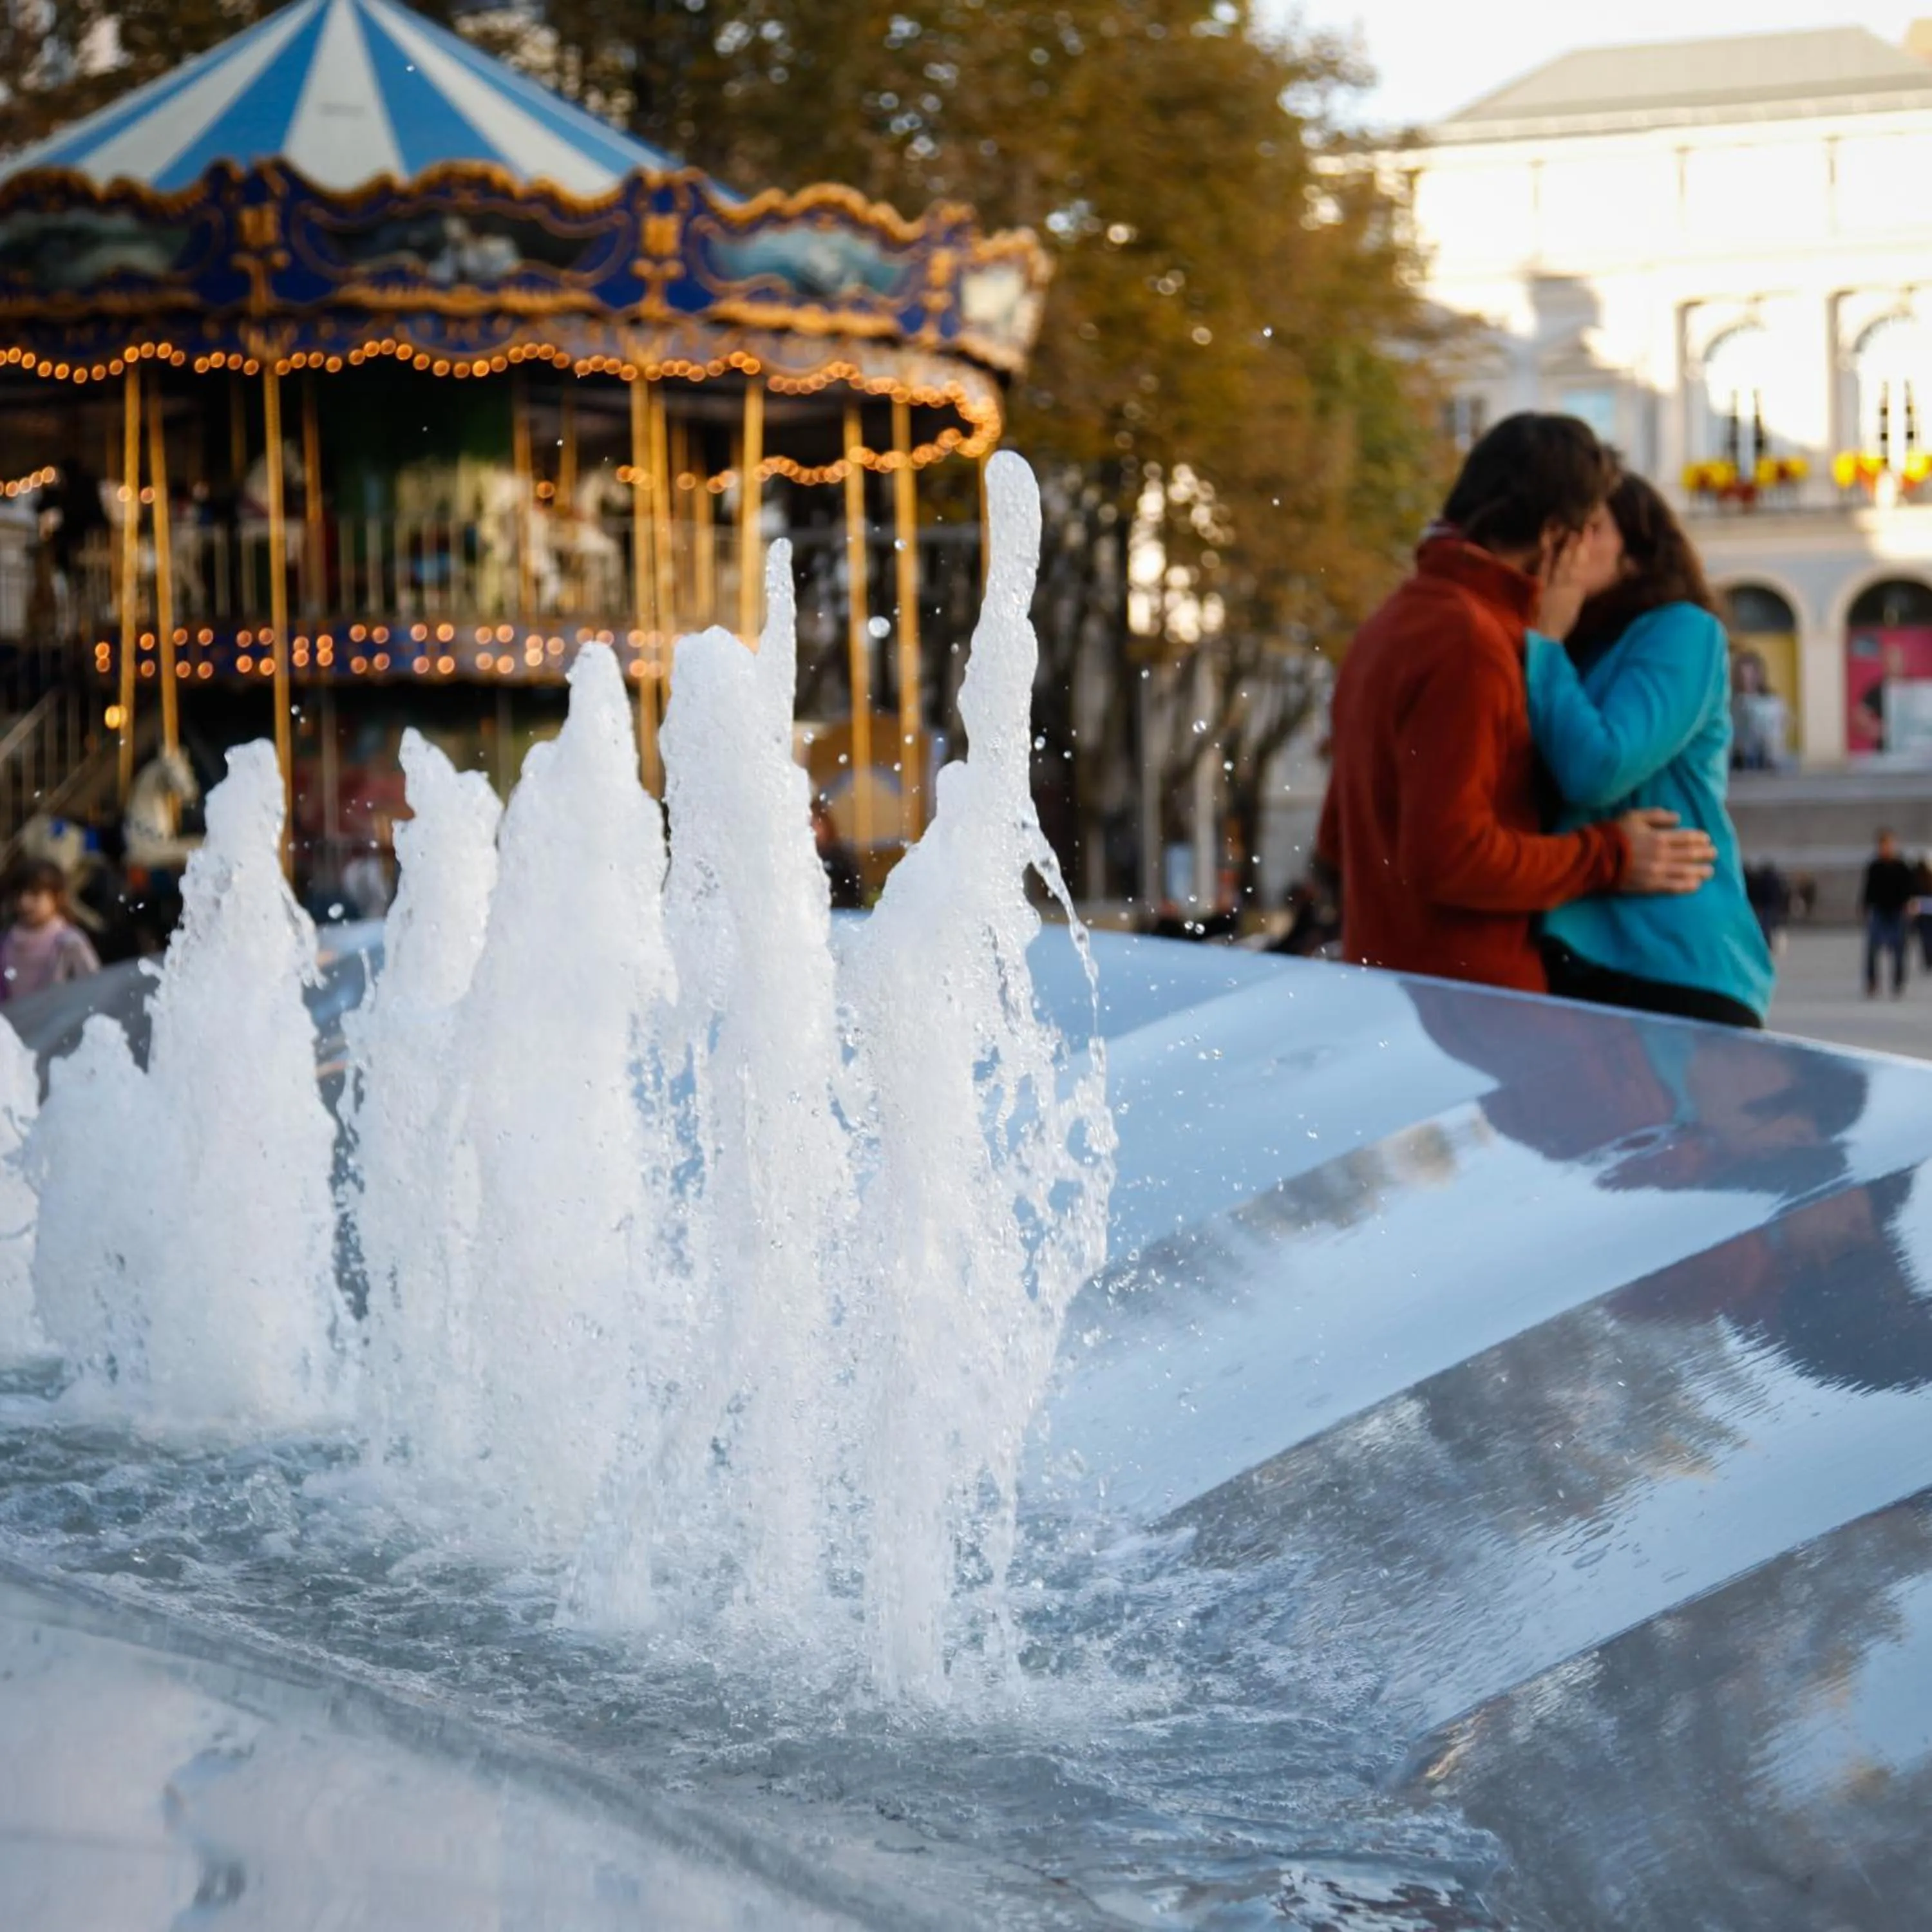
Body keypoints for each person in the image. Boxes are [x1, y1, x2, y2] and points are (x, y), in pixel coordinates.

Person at [1314, 413, 1714, 994]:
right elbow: (1452, 856)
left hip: (1389, 986)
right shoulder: (1471, 640)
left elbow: (1335, 837)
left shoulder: (1390, 623)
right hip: (1474, 998)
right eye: (1589, 528)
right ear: (1556, 537)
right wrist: (1611, 856)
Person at [1523, 472, 1775, 1028]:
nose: (1566, 544)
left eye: (1591, 527)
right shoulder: (1578, 647)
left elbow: (1600, 767)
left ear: (1638, 554)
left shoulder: (1681, 631)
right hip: (1578, 955)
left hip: (1673, 961)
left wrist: (1545, 641)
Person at [0, 859, 102, 1002]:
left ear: (57, 897)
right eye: (19, 895)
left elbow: (94, 989)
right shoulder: (6, 941)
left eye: (35, 895)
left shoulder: (69, 943)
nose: (24, 903)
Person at [1861, 829, 1915, 998]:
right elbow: (1868, 889)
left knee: (1899, 948)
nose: (1886, 848)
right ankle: (1872, 981)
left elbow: (1910, 889)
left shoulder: (1902, 866)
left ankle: (1898, 980)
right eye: (1883, 845)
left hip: (1898, 911)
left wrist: (1910, 905)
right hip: (1879, 911)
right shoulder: (1874, 867)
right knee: (1872, 948)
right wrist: (1865, 907)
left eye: (1889, 845)